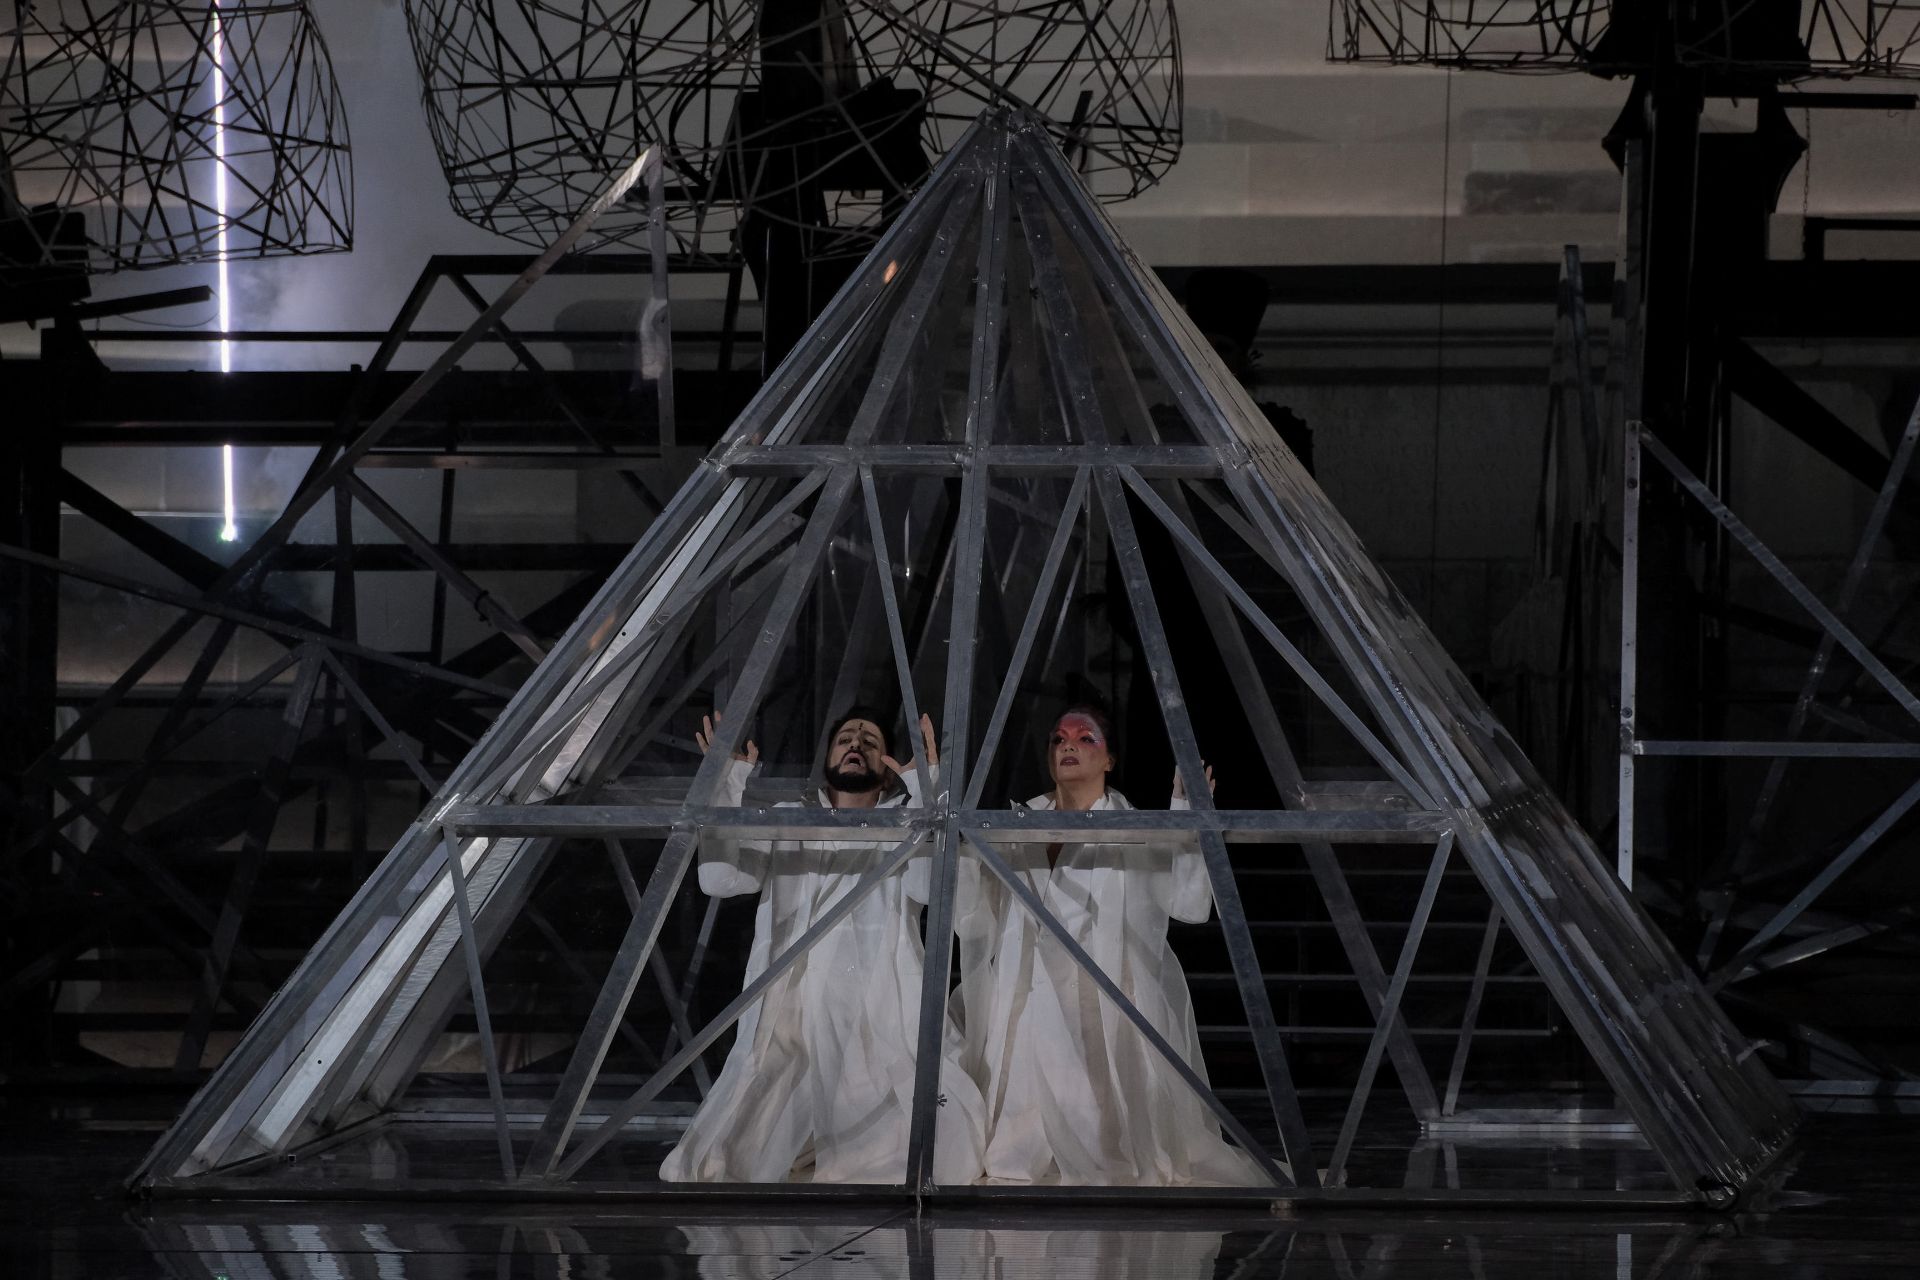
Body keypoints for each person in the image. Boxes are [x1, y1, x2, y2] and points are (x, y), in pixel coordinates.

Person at [658, 707, 987, 1184]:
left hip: (877, 1010)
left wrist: (926, 790)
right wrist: (725, 781)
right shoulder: (791, 819)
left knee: (925, 1147)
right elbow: (721, 878)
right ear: (828, 756)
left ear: (887, 765)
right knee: (729, 1158)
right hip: (791, 1015)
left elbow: (929, 887)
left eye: (870, 741)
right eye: (846, 738)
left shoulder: (907, 821)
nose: (856, 744)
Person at [955, 707, 1268, 1186]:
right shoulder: (1016, 824)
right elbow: (975, 913)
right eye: (1059, 738)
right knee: (1016, 1147)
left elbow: (1188, 904)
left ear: (1109, 760)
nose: (1069, 746)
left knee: (1101, 1130)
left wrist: (1186, 814)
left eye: (1086, 738)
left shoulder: (1133, 829)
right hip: (1027, 994)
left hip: (1101, 998)